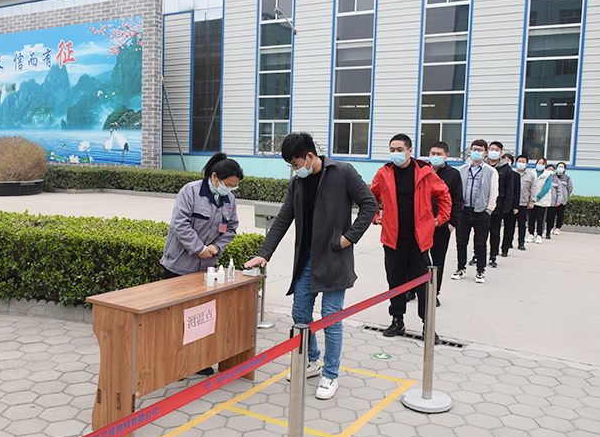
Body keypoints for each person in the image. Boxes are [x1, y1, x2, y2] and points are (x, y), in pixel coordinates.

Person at [244, 133, 376, 400]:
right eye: (291, 166)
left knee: (331, 317)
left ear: (310, 156)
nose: (295, 170)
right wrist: (264, 254)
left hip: (334, 257)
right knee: (300, 314)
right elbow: (284, 218)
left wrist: (349, 237)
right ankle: (312, 361)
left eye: (296, 164)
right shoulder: (298, 182)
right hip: (306, 259)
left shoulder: (342, 172)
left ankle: (331, 374)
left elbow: (369, 204)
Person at [160, 152, 243, 375]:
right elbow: (180, 224)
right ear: (214, 177)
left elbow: (231, 228)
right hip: (179, 266)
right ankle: (173, 366)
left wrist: (216, 247)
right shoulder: (190, 191)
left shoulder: (229, 200)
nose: (230, 189)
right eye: (228, 185)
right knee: (175, 318)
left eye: (234, 186)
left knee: (197, 317)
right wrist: (199, 248)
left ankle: (195, 361)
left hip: (205, 269)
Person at [370, 134, 451, 341]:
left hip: (419, 241)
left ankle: (428, 326)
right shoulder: (384, 173)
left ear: (410, 151)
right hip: (393, 240)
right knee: (395, 282)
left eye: (399, 149)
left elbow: (444, 195)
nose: (395, 153)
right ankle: (397, 321)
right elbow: (370, 196)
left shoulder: (425, 172)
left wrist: (439, 219)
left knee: (424, 286)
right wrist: (375, 216)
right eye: (392, 150)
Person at [451, 140, 498, 284]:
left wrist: (488, 210)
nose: (476, 152)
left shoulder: (491, 171)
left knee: (480, 243)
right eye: (474, 149)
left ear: (485, 153)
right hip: (464, 212)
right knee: (461, 242)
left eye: (479, 150)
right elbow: (456, 191)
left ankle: (480, 271)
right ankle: (461, 268)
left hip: (481, 213)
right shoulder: (462, 169)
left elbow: (493, 193)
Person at [427, 141, 463, 306]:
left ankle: (434, 293)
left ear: (446, 156)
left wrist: (452, 223)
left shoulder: (453, 175)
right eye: (432, 153)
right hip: (421, 224)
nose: (435, 157)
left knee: (437, 260)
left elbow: (458, 200)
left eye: (439, 154)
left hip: (441, 225)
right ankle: (413, 290)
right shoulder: (423, 171)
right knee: (417, 259)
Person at [469, 141, 514, 268]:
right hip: (481, 205)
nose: (494, 151)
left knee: (495, 232)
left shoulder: (506, 168)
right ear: (487, 151)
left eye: (497, 150)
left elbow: (509, 189)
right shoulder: (482, 166)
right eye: (492, 149)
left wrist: (506, 207)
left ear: (501, 152)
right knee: (479, 233)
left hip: (497, 206)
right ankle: (477, 255)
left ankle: (493, 256)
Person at [500, 153, 521, 257]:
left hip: (510, 205)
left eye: (509, 160)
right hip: (499, 204)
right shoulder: (497, 172)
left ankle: (505, 248)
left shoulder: (515, 175)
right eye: (504, 159)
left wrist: (516, 206)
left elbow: (517, 192)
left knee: (509, 227)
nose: (506, 162)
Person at [515, 154, 538, 250]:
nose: (521, 163)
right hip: (513, 203)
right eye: (519, 161)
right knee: (510, 225)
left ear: (527, 163)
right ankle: (508, 242)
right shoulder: (512, 173)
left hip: (523, 203)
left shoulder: (530, 175)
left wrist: (532, 201)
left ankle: (521, 242)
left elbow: (533, 188)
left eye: (523, 162)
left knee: (522, 224)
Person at [527, 157, 551, 244]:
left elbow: (547, 187)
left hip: (542, 201)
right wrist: (532, 197)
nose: (540, 165)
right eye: (539, 163)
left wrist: (538, 197)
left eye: (542, 163)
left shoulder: (548, 174)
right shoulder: (531, 173)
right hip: (531, 201)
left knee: (540, 219)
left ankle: (539, 235)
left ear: (545, 165)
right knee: (531, 219)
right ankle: (531, 234)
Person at [550, 162, 573, 235]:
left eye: (562, 167)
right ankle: (551, 227)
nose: (560, 168)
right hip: (553, 199)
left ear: (564, 169)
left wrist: (565, 196)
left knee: (560, 214)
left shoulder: (567, 178)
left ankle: (558, 228)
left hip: (562, 200)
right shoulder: (552, 177)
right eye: (559, 167)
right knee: (551, 214)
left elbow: (570, 188)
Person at [545, 164, 563, 239]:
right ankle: (539, 233)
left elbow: (560, 191)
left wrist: (559, 200)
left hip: (552, 202)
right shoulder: (542, 177)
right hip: (542, 202)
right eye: (548, 169)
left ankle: (548, 232)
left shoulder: (556, 180)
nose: (550, 171)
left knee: (551, 218)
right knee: (541, 218)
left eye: (552, 170)